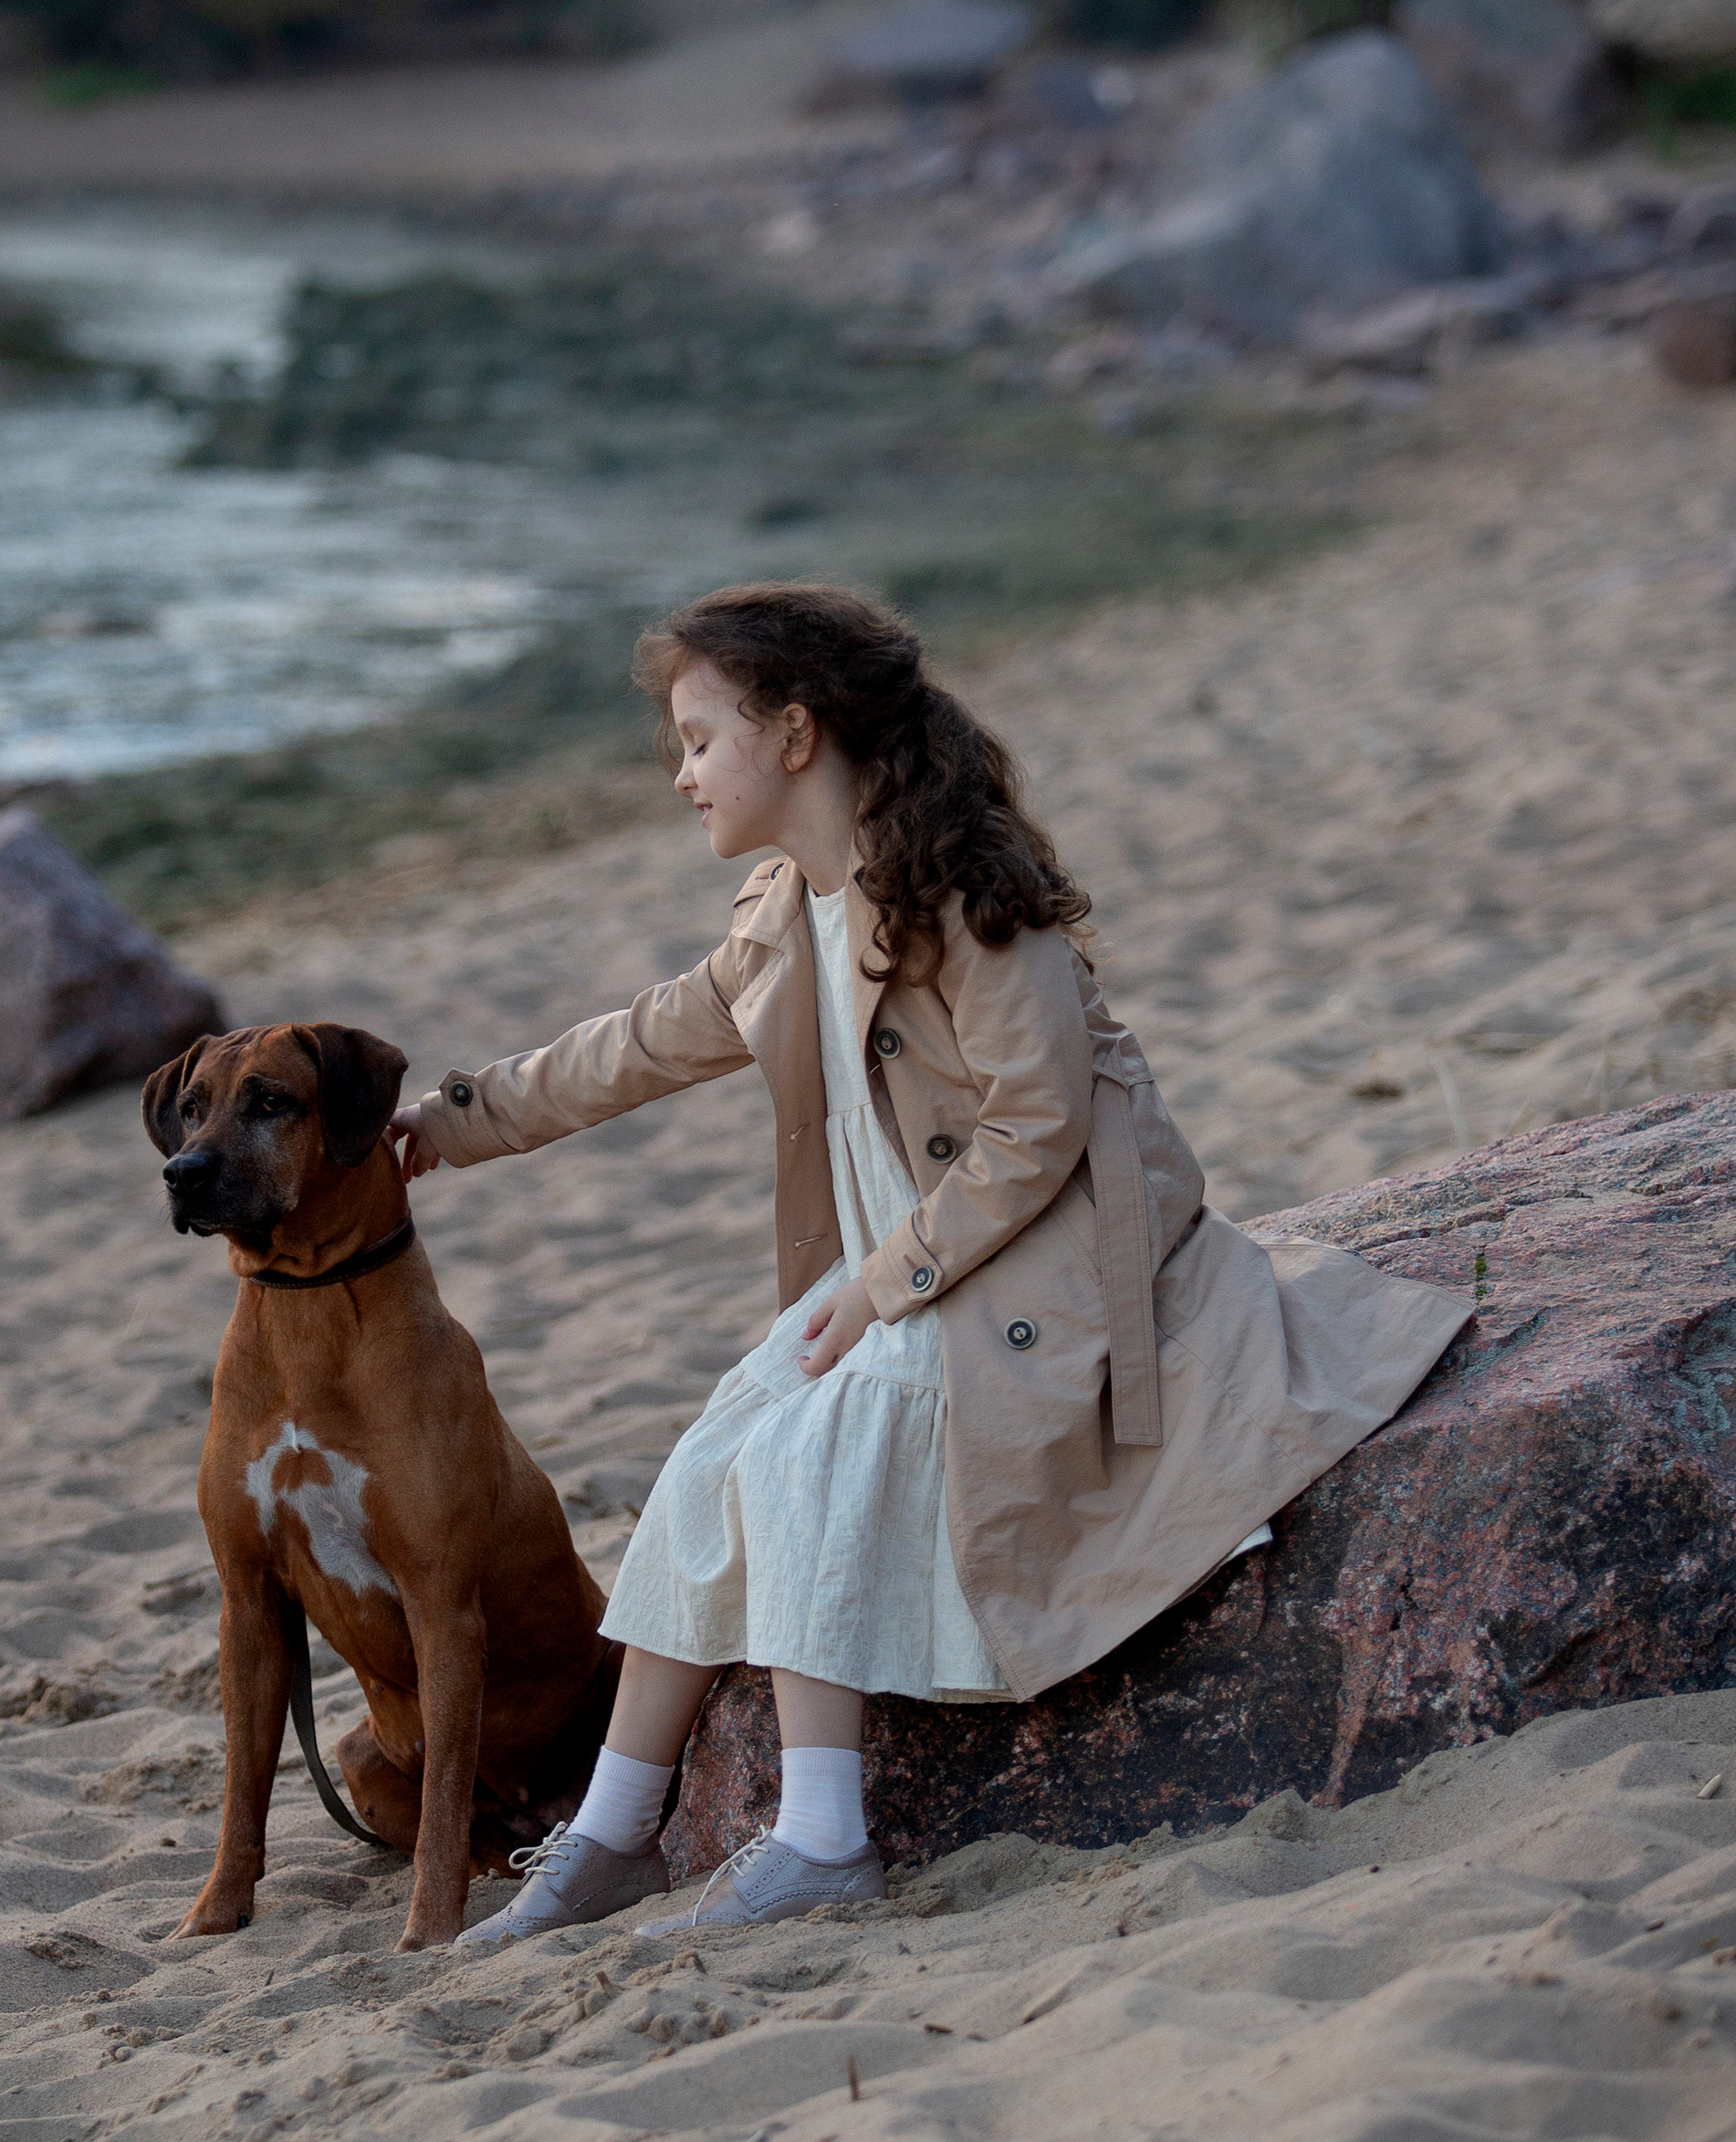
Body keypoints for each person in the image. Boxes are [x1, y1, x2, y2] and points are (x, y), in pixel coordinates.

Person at [389, 582, 1470, 1942]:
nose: (680, 775)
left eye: (698, 738)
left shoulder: (963, 893)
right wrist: (452, 1122)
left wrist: (880, 1280)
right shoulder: (788, 912)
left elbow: (1040, 1123)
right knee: (714, 1452)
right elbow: (644, 1040)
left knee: (806, 1453)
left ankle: (823, 1841)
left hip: (1029, 1277)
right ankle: (611, 1831)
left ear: (794, 734)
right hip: (914, 1282)